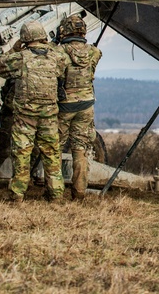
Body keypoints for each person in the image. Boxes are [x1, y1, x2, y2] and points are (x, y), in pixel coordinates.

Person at [0, 20, 69, 202]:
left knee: (21, 154)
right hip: (49, 115)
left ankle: (17, 194)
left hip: (25, 116)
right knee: (51, 153)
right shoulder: (55, 57)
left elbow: (0, 66)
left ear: (25, 38)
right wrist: (49, 45)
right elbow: (63, 64)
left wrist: (15, 49)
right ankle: (56, 194)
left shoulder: (21, 58)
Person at [56, 12, 102, 201]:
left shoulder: (60, 52)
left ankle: (55, 191)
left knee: (56, 149)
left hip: (65, 105)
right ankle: (79, 192)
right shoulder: (94, 52)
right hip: (86, 105)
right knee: (80, 149)